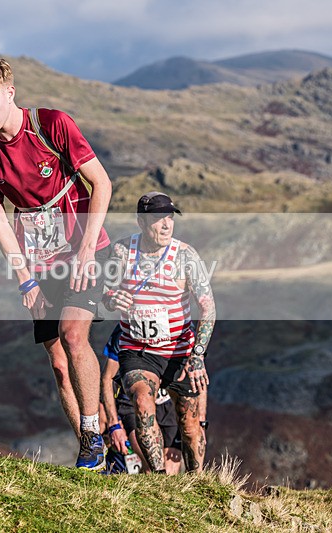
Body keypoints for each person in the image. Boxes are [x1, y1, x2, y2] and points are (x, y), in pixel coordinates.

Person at [0, 55, 113, 470]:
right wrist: (24, 278)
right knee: (59, 363)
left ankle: (93, 437)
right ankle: (93, 452)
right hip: (38, 261)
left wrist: (86, 250)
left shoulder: (51, 125)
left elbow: (101, 183)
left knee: (74, 336)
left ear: (9, 92)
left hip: (84, 249)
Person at [103, 192, 216, 473]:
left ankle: (197, 482)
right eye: (158, 219)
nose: (166, 225)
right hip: (138, 350)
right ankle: (159, 478)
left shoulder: (185, 256)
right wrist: (112, 298)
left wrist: (197, 356)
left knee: (189, 426)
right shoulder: (122, 251)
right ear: (141, 222)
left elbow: (208, 307)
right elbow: (105, 292)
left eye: (170, 218)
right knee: (143, 404)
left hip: (179, 351)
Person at [101, 331, 182, 475]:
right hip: (133, 405)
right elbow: (107, 379)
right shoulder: (123, 331)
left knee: (170, 471)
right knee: (151, 465)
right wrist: (114, 425)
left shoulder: (177, 325)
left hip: (166, 405)